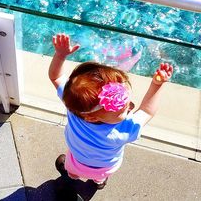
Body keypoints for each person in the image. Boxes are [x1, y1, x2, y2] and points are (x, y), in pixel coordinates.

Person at [48, 33, 173, 189]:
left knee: (71, 169)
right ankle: (99, 183)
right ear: (92, 118)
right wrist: (156, 85)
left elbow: (56, 76)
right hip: (105, 168)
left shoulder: (74, 108)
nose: (131, 108)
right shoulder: (125, 128)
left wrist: (60, 55)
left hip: (76, 160)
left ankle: (72, 176)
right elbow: (147, 111)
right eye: (125, 109)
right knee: (100, 177)